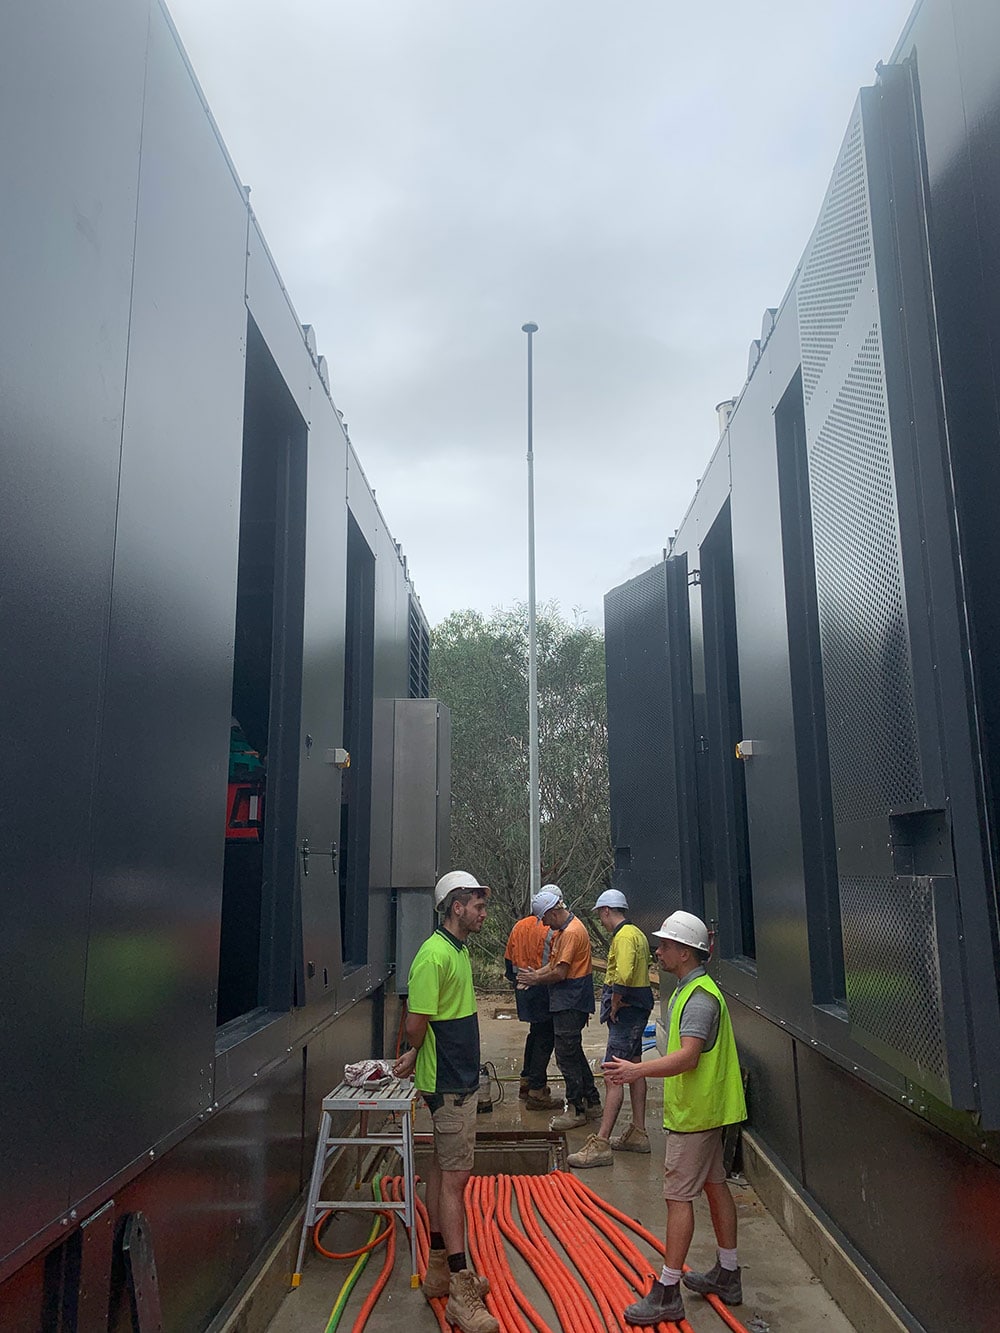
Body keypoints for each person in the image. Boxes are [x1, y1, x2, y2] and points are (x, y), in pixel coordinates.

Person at [604, 910, 747, 1326]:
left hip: (696, 1116)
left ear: (685, 953)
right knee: (715, 1185)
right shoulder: (693, 989)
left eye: (665, 945)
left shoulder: (699, 998)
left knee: (678, 1198)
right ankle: (728, 1272)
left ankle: (667, 1292)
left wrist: (636, 1070)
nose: (659, 951)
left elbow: (687, 1057)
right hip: (707, 1111)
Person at [392, 871, 498, 1333]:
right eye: (477, 904)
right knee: (455, 1184)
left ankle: (438, 1269)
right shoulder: (433, 956)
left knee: (440, 1171)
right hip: (448, 1085)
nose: (482, 911)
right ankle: (460, 1289)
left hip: (457, 1080)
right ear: (456, 906)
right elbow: (416, 1024)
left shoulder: (456, 950)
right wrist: (414, 1051)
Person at [568, 888, 654, 1167]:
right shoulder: (637, 934)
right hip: (637, 1007)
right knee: (635, 1066)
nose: (602, 922)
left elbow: (625, 973)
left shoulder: (625, 937)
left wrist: (616, 1002)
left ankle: (602, 1142)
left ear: (606, 911)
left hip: (627, 1010)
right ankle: (638, 1133)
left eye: (601, 916)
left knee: (612, 1073)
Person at [516, 884, 601, 1130]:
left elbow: (561, 973)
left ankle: (577, 1108)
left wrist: (535, 979)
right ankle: (592, 1101)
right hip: (567, 1000)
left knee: (566, 1056)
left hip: (571, 1000)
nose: (544, 925)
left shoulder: (572, 933)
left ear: (553, 912)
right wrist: (533, 976)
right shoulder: (563, 932)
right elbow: (553, 966)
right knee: (573, 1052)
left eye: (544, 919)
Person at [504, 897, 560, 1110]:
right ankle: (537, 1090)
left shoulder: (519, 926)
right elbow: (556, 963)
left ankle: (526, 1082)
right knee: (545, 1038)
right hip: (544, 987)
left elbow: (508, 963)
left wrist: (519, 980)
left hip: (523, 989)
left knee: (535, 1034)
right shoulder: (551, 929)